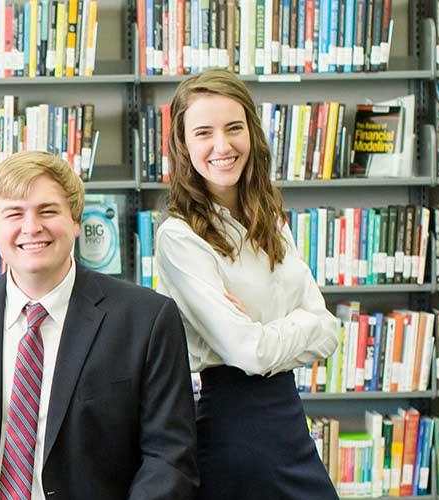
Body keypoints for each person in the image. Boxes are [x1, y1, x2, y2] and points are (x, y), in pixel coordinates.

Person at [0, 151, 198, 500]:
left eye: (47, 211)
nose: (31, 227)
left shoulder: (147, 319)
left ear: (76, 221)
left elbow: (169, 459)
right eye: (14, 214)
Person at [152, 69, 342, 500]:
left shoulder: (269, 219)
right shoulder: (180, 237)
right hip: (234, 428)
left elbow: (328, 330)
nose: (223, 145)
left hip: (288, 419)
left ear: (252, 134)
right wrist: (297, 325)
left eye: (234, 128)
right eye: (204, 132)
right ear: (183, 145)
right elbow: (249, 353)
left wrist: (266, 329)